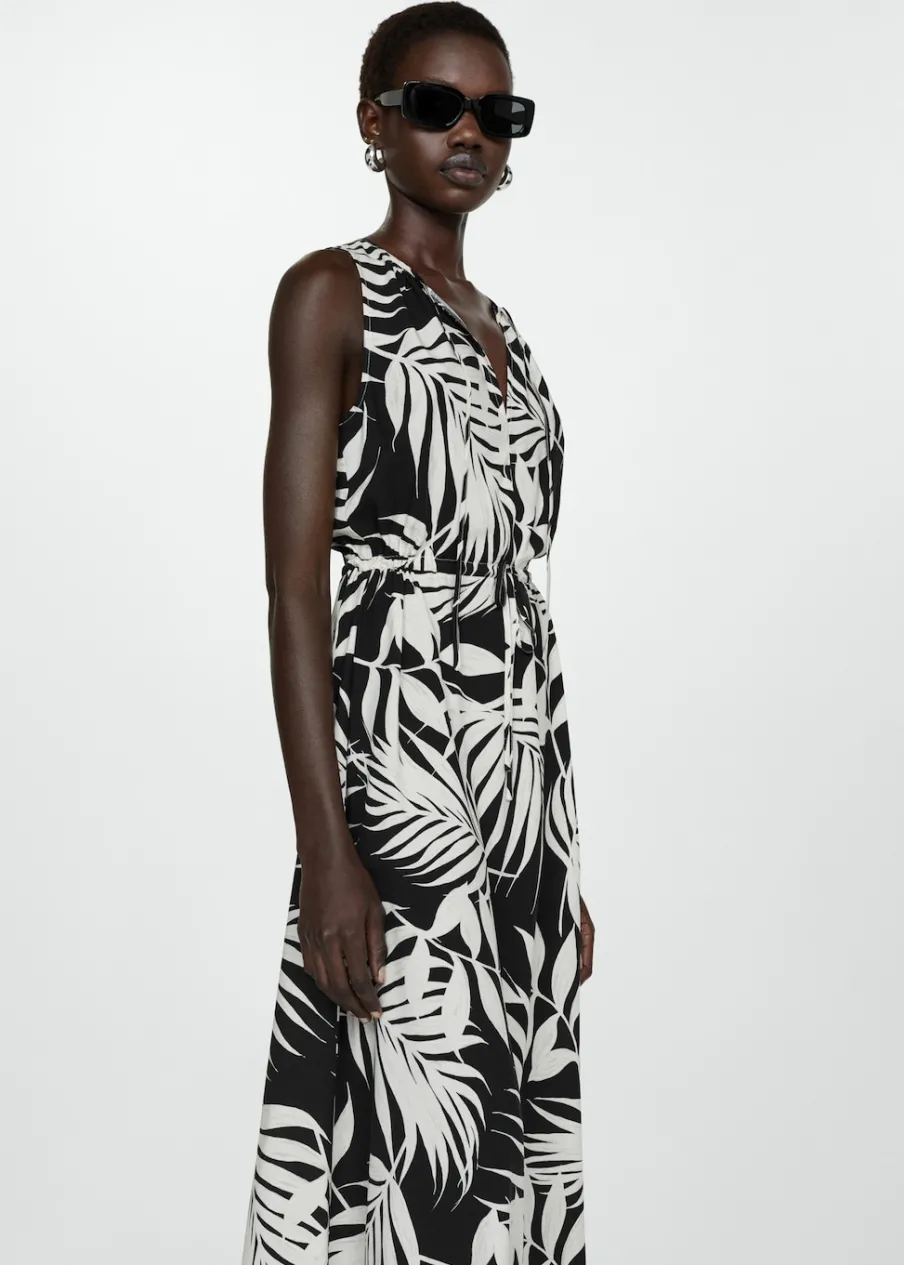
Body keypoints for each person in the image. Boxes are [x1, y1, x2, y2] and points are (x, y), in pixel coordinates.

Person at [241, 4, 594, 1262]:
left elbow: (520, 603)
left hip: (519, 794)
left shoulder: (509, 334)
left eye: (497, 114)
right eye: (437, 105)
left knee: (505, 1145)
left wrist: (556, 868)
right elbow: (295, 591)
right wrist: (326, 852)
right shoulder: (329, 293)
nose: (470, 134)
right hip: (401, 777)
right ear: (373, 121)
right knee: (421, 1134)